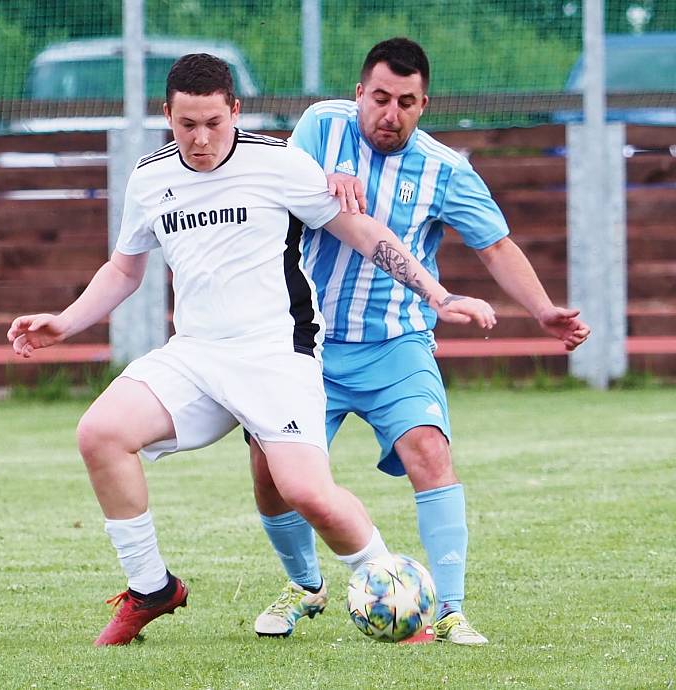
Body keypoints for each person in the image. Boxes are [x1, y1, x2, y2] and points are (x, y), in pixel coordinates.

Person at [6, 52, 497, 647]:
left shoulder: (279, 164)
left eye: (214, 122)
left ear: (235, 111)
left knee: (306, 491)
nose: (201, 137)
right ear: (167, 115)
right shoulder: (150, 177)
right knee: (99, 433)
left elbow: (363, 231)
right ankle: (151, 588)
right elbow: (124, 268)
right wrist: (65, 321)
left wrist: (438, 295)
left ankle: (396, 594)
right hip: (195, 354)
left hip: (276, 355)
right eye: (187, 124)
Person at [250, 37, 591, 645]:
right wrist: (320, 179)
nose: (391, 113)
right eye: (380, 98)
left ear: (423, 104)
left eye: (406, 102)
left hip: (395, 344)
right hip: (307, 344)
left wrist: (541, 310)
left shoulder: (445, 169)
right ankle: (305, 585)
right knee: (271, 476)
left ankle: (450, 608)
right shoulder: (319, 126)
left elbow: (494, 244)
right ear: (359, 93)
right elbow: (279, 186)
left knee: (430, 450)